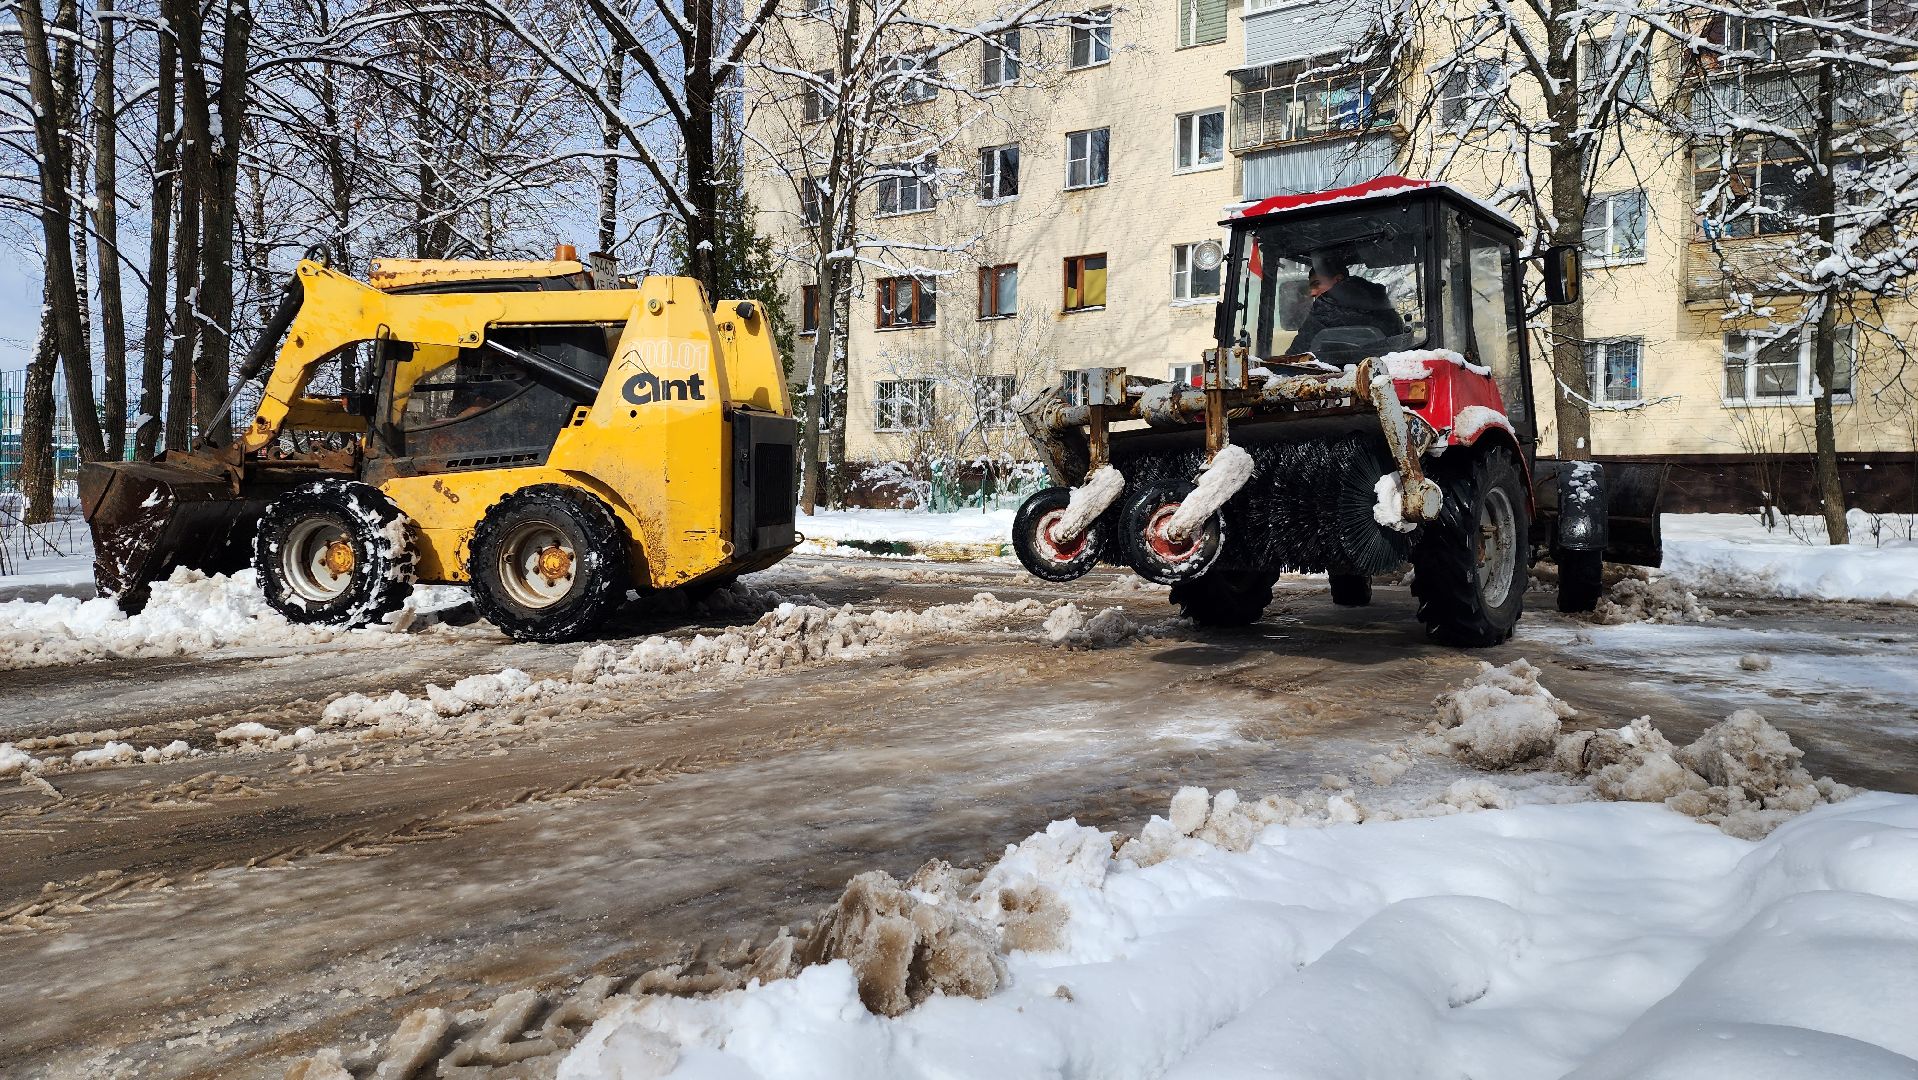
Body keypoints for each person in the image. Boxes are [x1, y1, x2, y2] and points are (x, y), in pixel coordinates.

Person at [1281, 256, 1405, 357]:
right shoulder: (1385, 310)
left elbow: (1295, 359)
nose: (1312, 292)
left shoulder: (1322, 311)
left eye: (1317, 284)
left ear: (1338, 280)